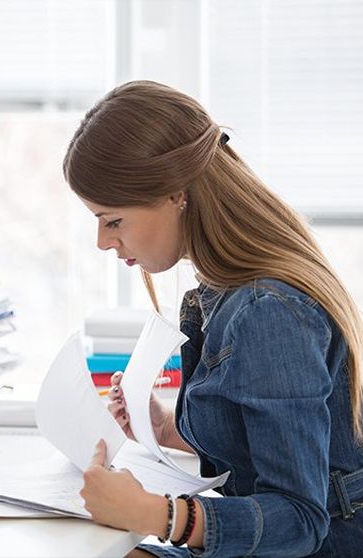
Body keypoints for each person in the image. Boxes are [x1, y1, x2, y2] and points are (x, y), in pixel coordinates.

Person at [62, 80, 363, 557]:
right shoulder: (222, 292)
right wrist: (165, 428)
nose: (103, 241)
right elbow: (262, 441)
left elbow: (302, 520)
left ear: (175, 195)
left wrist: (153, 514)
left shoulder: (270, 314)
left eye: (113, 220)